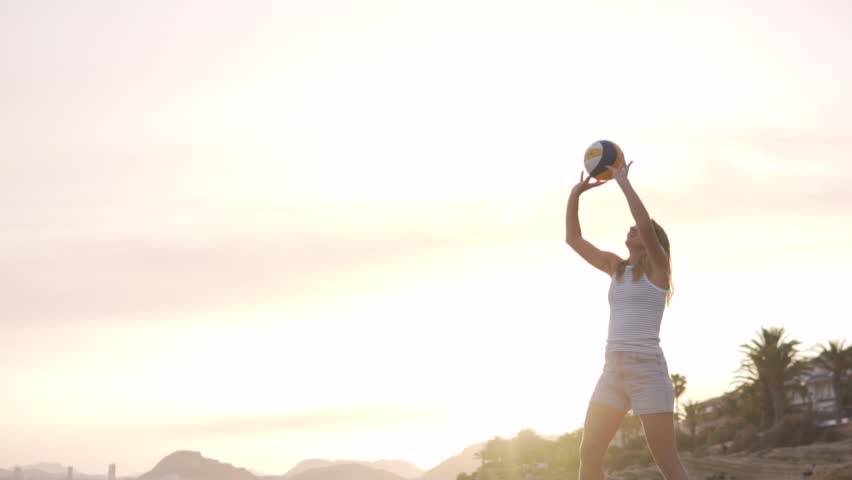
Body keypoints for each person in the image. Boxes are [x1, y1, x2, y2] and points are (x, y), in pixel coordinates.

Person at [565, 161, 689, 480]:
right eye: (630, 228)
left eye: (638, 230)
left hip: (647, 369)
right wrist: (575, 194)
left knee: (668, 464)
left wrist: (623, 183)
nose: (631, 229)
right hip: (613, 370)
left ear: (654, 246)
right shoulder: (615, 267)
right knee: (589, 454)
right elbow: (573, 239)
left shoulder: (658, 271)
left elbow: (645, 225)